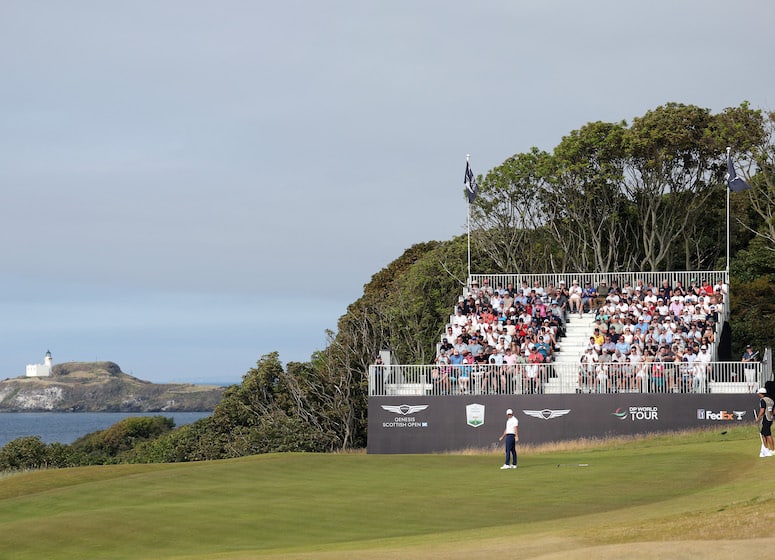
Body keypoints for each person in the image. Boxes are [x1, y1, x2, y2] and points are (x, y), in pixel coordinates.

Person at [755, 388, 774, 458]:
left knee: (767, 434)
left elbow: (762, 410)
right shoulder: (770, 400)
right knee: (764, 433)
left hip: (766, 418)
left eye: (759, 393)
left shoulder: (763, 400)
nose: (758, 394)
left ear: (761, 393)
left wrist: (758, 417)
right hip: (770, 418)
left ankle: (770, 450)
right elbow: (773, 410)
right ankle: (767, 448)